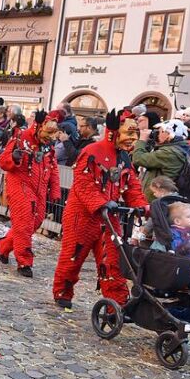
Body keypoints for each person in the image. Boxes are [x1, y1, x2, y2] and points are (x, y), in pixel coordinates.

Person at [53, 109, 148, 311]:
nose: (132, 139)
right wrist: (100, 202)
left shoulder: (124, 158)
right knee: (73, 257)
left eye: (135, 134)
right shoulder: (92, 151)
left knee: (112, 260)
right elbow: (83, 183)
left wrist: (140, 205)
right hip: (82, 215)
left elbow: (132, 186)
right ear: (114, 132)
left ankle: (117, 303)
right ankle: (62, 291)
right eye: (128, 134)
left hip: (109, 217)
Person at [0, 112, 61, 277]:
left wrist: (55, 190)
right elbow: (2, 161)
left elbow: (53, 168)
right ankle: (24, 262)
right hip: (20, 185)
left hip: (39, 189)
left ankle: (3, 246)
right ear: (39, 127)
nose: (52, 137)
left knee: (35, 222)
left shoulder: (48, 147)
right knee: (24, 222)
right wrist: (14, 157)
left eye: (54, 134)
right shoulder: (21, 137)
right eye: (49, 133)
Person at [132, 119, 190, 202]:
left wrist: (142, 140)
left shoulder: (169, 153)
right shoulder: (178, 149)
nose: (157, 134)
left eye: (160, 132)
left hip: (156, 198)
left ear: (168, 134)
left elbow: (138, 159)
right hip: (161, 195)